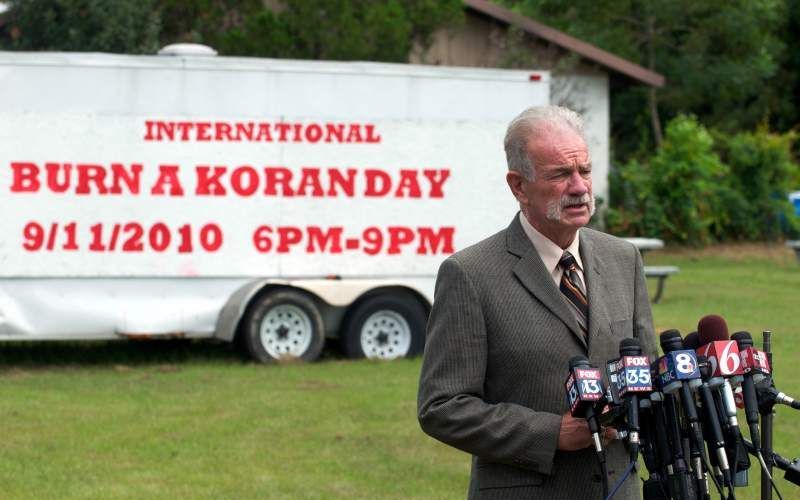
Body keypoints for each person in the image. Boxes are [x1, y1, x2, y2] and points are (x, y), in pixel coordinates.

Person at [417, 106, 657, 500]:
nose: (580, 186)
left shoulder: (623, 259)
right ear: (519, 185)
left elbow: (644, 371)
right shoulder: (470, 274)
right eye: (561, 174)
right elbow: (442, 407)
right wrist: (550, 434)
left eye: (584, 170)